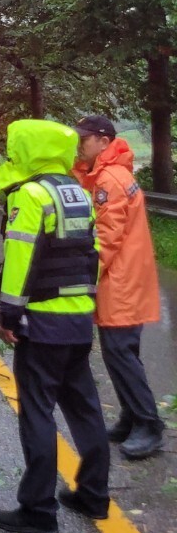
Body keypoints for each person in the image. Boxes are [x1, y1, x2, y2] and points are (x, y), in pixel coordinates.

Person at [0, 119, 110, 533]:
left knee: (37, 412)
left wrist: (8, 315)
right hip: (78, 319)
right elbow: (92, 254)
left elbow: (20, 260)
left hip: (41, 321)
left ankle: (38, 511)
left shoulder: (31, 194)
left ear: (30, 150)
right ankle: (93, 495)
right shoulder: (78, 193)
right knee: (84, 409)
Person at [74, 114, 164, 460]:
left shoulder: (109, 180)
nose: (79, 144)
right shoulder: (109, 174)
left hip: (120, 280)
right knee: (121, 353)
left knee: (120, 353)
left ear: (104, 141)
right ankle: (131, 417)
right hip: (124, 277)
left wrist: (86, 277)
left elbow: (105, 237)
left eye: (85, 139)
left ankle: (149, 424)